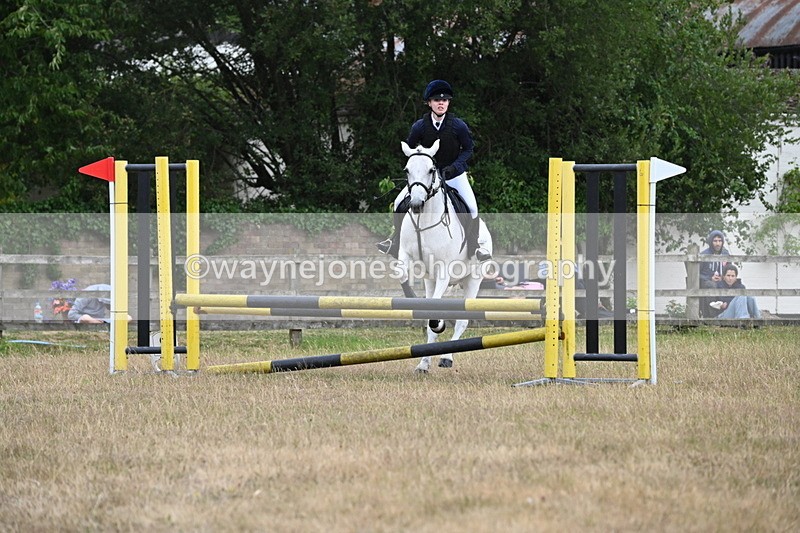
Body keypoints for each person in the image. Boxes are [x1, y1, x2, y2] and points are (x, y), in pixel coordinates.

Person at [377, 79, 491, 262]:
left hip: (453, 175)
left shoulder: (458, 126)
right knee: (399, 203)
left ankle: (475, 246)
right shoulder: (420, 127)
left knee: (472, 207)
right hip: (425, 178)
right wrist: (418, 169)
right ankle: (395, 240)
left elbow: (468, 149)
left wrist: (455, 166)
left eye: (445, 100)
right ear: (429, 103)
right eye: (437, 100)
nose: (441, 103)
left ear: (448, 103)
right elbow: (411, 150)